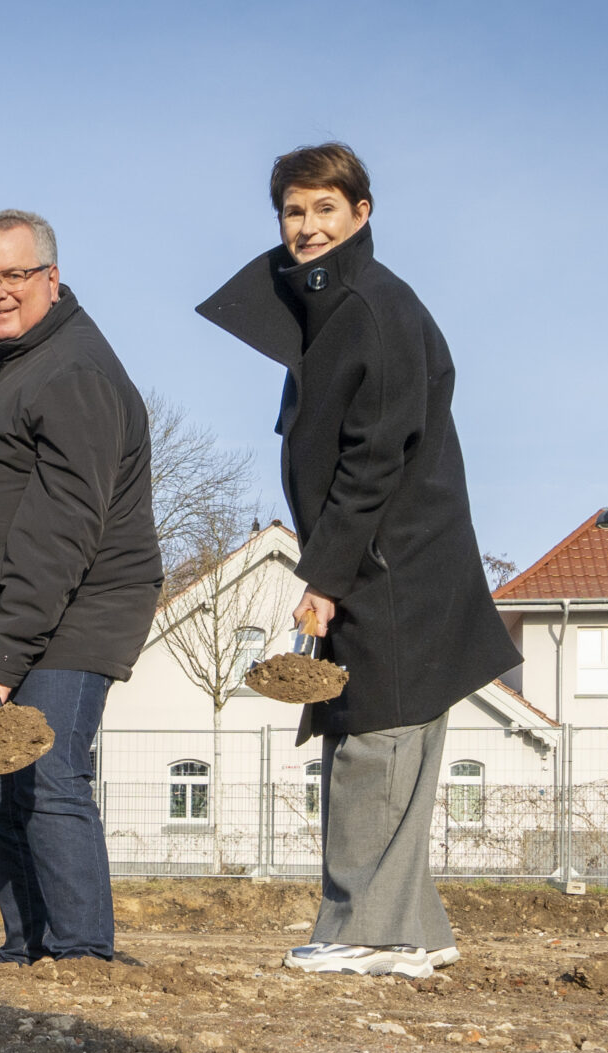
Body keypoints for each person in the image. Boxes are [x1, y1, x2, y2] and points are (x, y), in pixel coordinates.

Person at [197, 143, 519, 977]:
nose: (306, 228)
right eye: (294, 213)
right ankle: (412, 926)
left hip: (395, 565)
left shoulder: (375, 308)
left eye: (324, 211)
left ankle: (370, 933)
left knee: (378, 741)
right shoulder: (336, 311)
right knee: (370, 737)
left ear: (361, 214)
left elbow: (376, 455)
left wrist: (325, 576)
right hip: (376, 557)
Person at [0, 210, 162, 964]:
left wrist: (7, 647)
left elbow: (62, 529)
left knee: (44, 766)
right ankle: (27, 950)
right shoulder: (11, 360)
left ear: (50, 280)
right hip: (11, 619)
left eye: (14, 275)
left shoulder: (71, 370)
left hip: (69, 610)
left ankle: (82, 955)